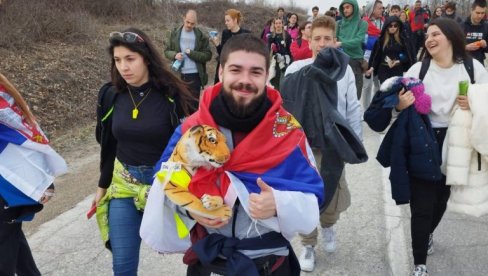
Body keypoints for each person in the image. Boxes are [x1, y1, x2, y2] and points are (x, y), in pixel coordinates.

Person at [146, 33, 324, 275]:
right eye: (236, 70)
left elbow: (312, 203)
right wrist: (191, 209)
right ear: (221, 72)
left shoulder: (287, 131)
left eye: (255, 72)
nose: (245, 80)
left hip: (268, 264)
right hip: (208, 261)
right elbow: (163, 183)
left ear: (267, 76)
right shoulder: (192, 129)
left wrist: (280, 204)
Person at [365, 18, 488, 276]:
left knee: (441, 200)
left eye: (435, 34)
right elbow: (396, 106)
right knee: (422, 204)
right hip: (423, 138)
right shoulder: (418, 70)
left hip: (458, 141)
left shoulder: (472, 67)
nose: (429, 39)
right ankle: (420, 264)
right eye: (427, 35)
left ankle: (428, 233)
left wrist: (473, 101)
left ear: (451, 37)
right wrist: (400, 105)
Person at [94, 28, 196, 275]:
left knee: (193, 252)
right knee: (123, 264)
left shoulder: (174, 95)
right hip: (124, 187)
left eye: (130, 59)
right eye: (118, 60)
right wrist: (102, 188)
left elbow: (190, 149)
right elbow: (108, 145)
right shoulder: (110, 95)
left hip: (164, 187)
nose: (123, 67)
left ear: (146, 58)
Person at [283, 16, 363, 272]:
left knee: (332, 193)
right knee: (305, 196)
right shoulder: (296, 69)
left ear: (334, 41)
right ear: (309, 39)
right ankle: (308, 244)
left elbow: (352, 106)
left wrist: (355, 143)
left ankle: (328, 226)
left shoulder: (345, 69)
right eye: (317, 38)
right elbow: (285, 111)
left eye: (327, 38)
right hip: (303, 146)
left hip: (334, 144)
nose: (322, 43)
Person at [0, 73, 67, 275]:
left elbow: (26, 138)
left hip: (8, 188)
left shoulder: (4, 100)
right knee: (14, 247)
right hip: (9, 188)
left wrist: (43, 181)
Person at [164, 10, 212, 108]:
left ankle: (192, 123)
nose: (189, 25)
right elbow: (166, 51)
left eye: (192, 23)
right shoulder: (174, 33)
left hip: (195, 76)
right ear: (184, 18)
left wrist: (192, 53)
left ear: (196, 23)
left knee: (193, 106)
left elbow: (208, 55)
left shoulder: (201, 36)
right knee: (178, 105)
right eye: (188, 22)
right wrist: (174, 55)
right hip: (178, 75)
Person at [366, 16, 416, 84]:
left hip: (397, 70)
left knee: (396, 92)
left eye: (395, 26)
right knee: (385, 91)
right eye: (390, 25)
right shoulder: (381, 40)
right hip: (384, 70)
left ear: (398, 27)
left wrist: (398, 61)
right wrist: (371, 68)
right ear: (386, 26)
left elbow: (407, 55)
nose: (393, 28)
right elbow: (376, 56)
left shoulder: (403, 40)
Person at [336, 0, 368, 100]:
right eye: (343, 8)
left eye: (348, 7)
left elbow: (358, 41)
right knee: (340, 94)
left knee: (355, 95)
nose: (345, 10)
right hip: (340, 60)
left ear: (354, 7)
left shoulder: (362, 23)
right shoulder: (339, 23)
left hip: (355, 61)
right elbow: (334, 39)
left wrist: (341, 43)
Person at [210, 9, 251, 84]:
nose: (226, 23)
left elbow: (247, 55)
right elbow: (222, 54)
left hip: (238, 70)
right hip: (224, 68)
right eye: (225, 21)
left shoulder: (246, 34)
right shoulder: (225, 33)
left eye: (228, 21)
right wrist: (217, 44)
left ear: (235, 20)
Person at [362, 0, 385, 106]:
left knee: (379, 84)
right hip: (367, 57)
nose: (382, 10)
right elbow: (362, 42)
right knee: (367, 85)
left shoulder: (384, 22)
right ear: (372, 9)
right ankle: (366, 110)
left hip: (380, 56)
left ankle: (375, 106)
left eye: (382, 8)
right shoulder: (364, 23)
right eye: (379, 8)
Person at [268, 17, 292, 88]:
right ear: (274, 25)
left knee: (283, 80)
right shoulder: (271, 36)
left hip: (285, 60)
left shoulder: (287, 35)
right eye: (276, 23)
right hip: (275, 60)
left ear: (282, 24)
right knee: (273, 78)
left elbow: (290, 48)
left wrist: (289, 59)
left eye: (279, 23)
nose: (278, 25)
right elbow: (268, 49)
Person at [463, 0, 488, 65]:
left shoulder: (486, 26)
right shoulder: (461, 25)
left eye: (482, 13)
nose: (480, 16)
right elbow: (452, 46)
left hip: (479, 63)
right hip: (463, 62)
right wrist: (465, 47)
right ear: (471, 10)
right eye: (477, 13)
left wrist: (485, 45)